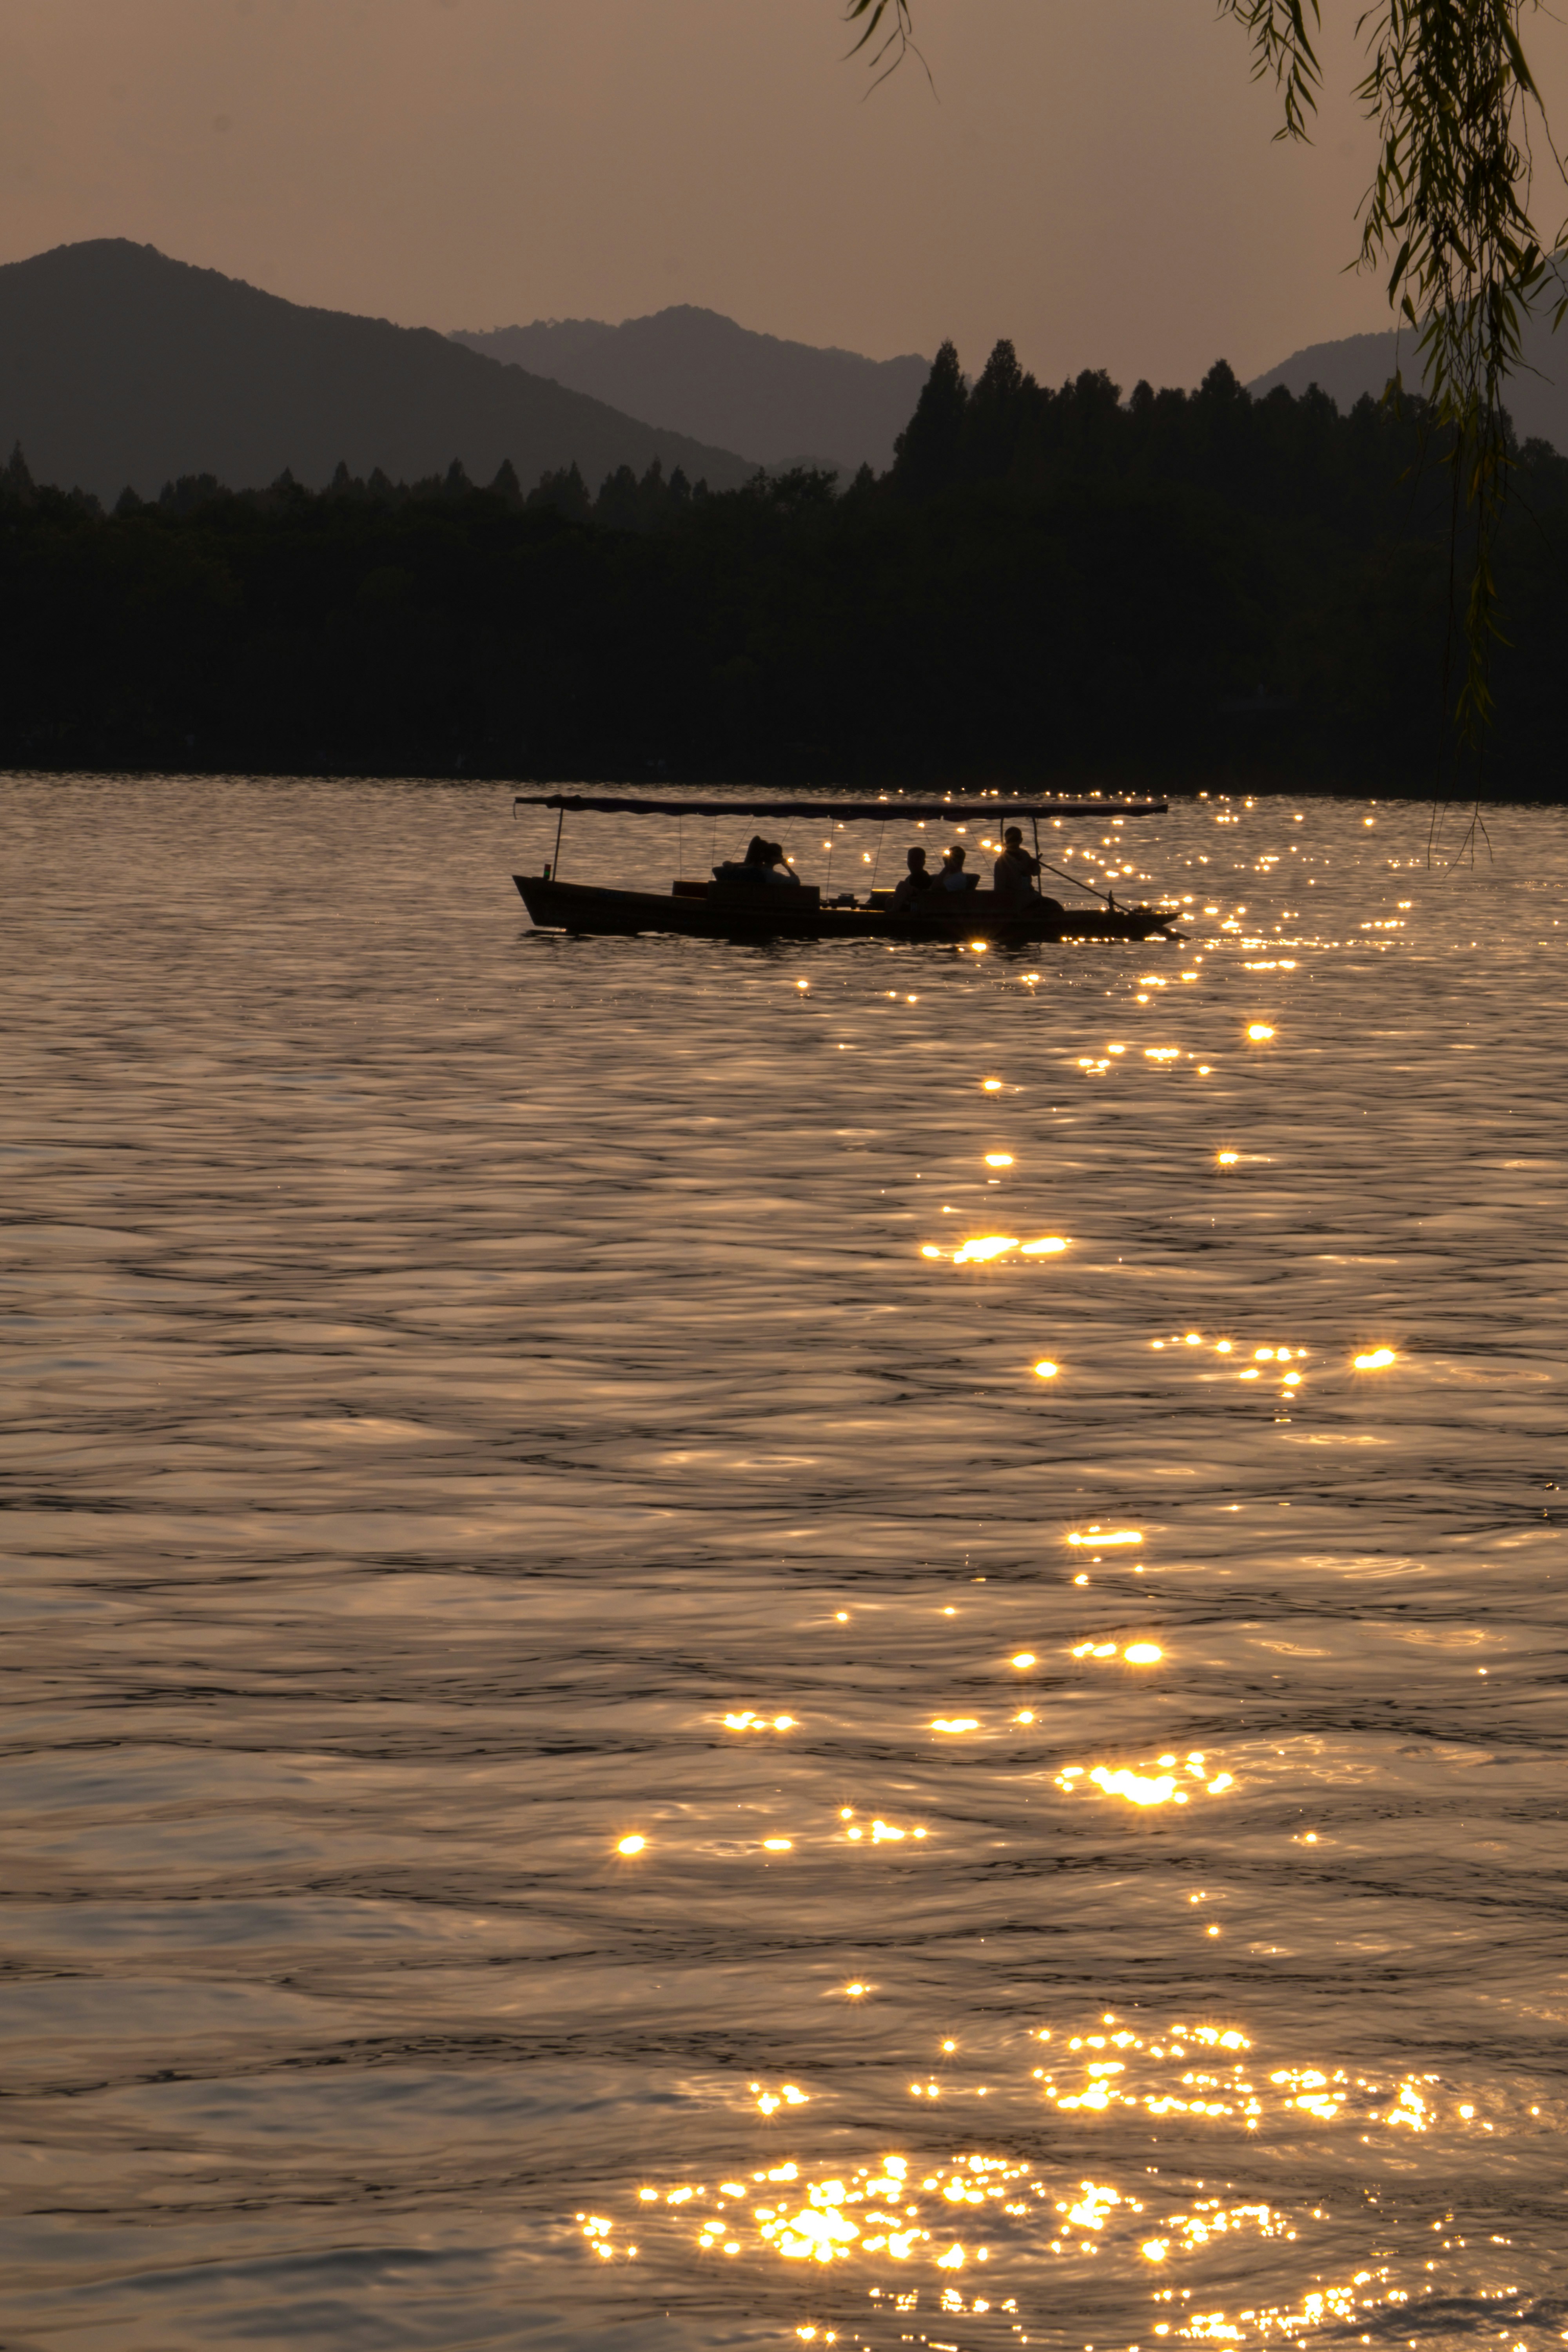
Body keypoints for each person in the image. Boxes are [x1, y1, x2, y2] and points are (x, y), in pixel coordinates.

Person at [993, 826, 1042, 901]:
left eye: (1015, 839)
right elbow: (999, 888)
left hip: (1028, 894)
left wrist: (1034, 866)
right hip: (1012, 898)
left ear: (1021, 841)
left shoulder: (1025, 854)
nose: (1013, 843)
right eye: (1010, 840)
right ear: (1006, 841)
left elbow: (1036, 872)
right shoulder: (1002, 862)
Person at [890, 845, 933, 911]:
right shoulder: (910, 878)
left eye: (917, 859)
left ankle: (892, 914)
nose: (913, 862)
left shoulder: (924, 877)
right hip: (910, 904)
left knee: (902, 885)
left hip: (917, 908)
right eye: (911, 859)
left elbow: (922, 897)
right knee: (884, 899)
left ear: (923, 862)